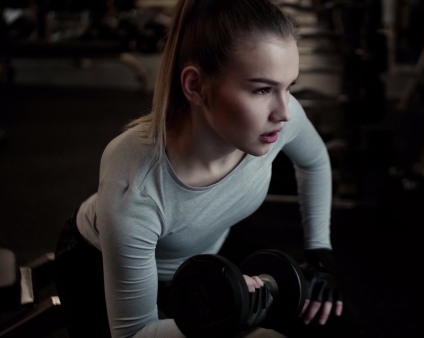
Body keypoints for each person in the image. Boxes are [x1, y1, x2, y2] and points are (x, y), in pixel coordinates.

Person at [53, 0, 360, 337]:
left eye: (289, 87)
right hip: (98, 265)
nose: (284, 112)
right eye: (262, 89)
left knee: (334, 327)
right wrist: (216, 313)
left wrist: (319, 253)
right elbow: (134, 333)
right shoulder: (136, 179)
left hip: (201, 258)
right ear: (195, 87)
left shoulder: (275, 122)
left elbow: (314, 162)